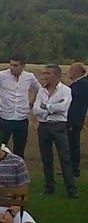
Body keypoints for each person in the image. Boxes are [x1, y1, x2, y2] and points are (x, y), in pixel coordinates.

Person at [0, 55, 42, 158]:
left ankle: (17, 168)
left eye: (15, 65)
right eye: (11, 64)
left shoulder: (29, 77)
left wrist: (32, 102)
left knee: (20, 149)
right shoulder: (1, 75)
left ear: (23, 66)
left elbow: (39, 89)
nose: (12, 67)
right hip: (5, 118)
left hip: (22, 118)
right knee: (1, 146)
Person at [33, 65, 78, 198]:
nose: (45, 75)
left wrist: (45, 107)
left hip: (59, 126)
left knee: (65, 158)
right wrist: (52, 108)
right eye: (44, 73)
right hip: (44, 126)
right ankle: (49, 187)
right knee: (46, 158)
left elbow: (63, 107)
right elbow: (35, 110)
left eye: (48, 73)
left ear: (57, 75)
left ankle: (71, 189)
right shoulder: (42, 91)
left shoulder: (66, 90)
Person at [67, 62, 87, 177]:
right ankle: (71, 167)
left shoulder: (82, 84)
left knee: (73, 144)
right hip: (74, 120)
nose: (69, 72)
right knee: (71, 143)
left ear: (77, 71)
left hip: (74, 120)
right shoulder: (78, 84)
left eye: (71, 69)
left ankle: (74, 169)